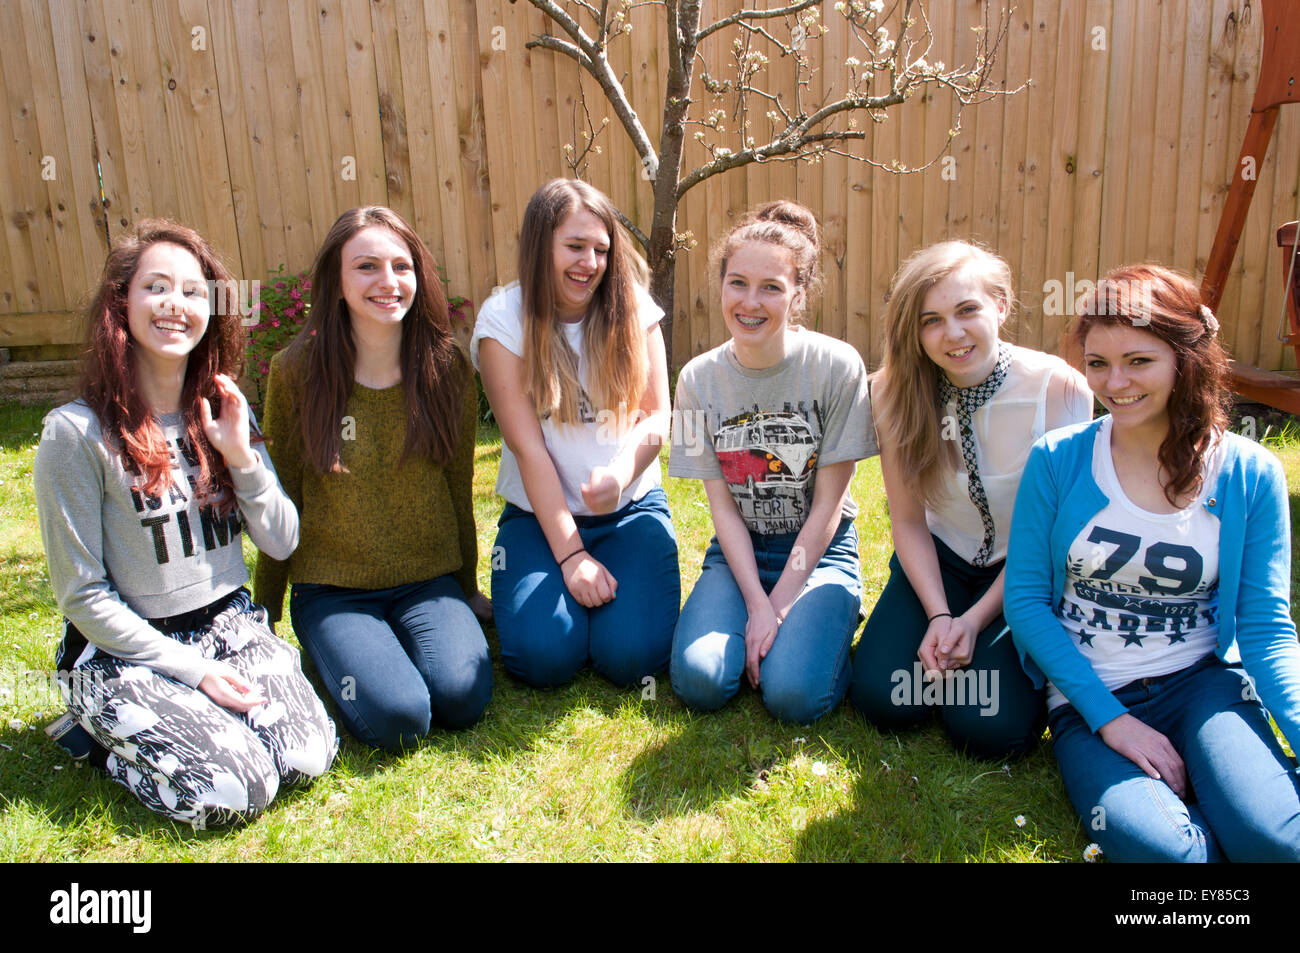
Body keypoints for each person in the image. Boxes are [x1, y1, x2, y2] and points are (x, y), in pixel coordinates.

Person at [34, 220, 336, 827]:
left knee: (306, 757)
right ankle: (92, 733)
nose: (176, 304)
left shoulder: (223, 409)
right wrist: (195, 674)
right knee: (235, 790)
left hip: (231, 626)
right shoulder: (74, 433)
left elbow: (281, 539)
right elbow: (82, 596)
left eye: (194, 291)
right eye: (156, 287)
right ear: (122, 303)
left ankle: (197, 719)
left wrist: (242, 458)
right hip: (125, 650)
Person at [1004, 264, 1300, 861]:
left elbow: (1267, 629)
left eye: (1139, 361)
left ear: (1184, 361)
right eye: (1097, 363)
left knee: (1274, 843)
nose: (1115, 383)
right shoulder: (1058, 460)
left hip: (1203, 684)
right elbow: (1027, 603)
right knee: (1174, 859)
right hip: (1088, 699)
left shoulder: (1248, 471)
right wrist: (1109, 718)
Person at [255, 207, 492, 751]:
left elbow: (458, 487)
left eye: (401, 266)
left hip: (427, 580)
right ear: (337, 283)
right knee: (400, 718)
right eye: (366, 267)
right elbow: (280, 496)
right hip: (334, 590)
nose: (388, 282)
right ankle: (346, 649)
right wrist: (262, 618)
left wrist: (467, 589)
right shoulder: (295, 372)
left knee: (462, 696)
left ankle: (397, 646)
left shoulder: (446, 366)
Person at [850, 241, 1092, 757]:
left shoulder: (1060, 389)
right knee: (883, 700)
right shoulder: (893, 392)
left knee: (988, 729)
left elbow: (1053, 536)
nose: (953, 334)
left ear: (1000, 306)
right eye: (931, 320)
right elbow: (910, 522)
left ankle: (984, 665)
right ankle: (944, 646)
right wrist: (940, 616)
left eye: (967, 310)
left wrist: (975, 620)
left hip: (1026, 570)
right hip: (942, 559)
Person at [669, 201, 874, 722]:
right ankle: (765, 627)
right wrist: (757, 604)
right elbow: (722, 509)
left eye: (772, 287)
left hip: (819, 550)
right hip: (740, 549)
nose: (750, 302)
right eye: (737, 283)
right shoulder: (698, 379)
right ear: (720, 287)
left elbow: (829, 506)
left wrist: (780, 604)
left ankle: (827, 617)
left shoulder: (836, 366)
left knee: (793, 696)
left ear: (799, 294)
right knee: (700, 680)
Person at [472, 179, 678, 688]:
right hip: (538, 519)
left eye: (601, 249)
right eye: (574, 246)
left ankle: (607, 614)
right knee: (543, 659)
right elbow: (527, 448)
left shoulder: (635, 309)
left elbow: (658, 417)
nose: (589, 262)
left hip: (629, 511)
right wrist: (571, 557)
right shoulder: (504, 318)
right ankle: (564, 607)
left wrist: (620, 473)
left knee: (632, 659)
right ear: (540, 244)